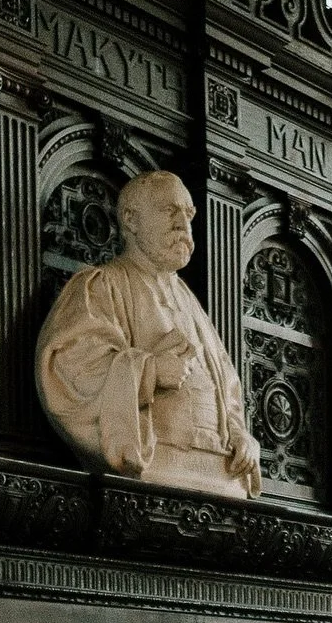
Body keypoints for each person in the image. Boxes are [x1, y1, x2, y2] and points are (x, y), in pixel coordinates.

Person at [35, 170, 262, 499]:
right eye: (170, 211)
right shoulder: (101, 286)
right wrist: (151, 371)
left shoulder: (190, 301)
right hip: (156, 468)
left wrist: (241, 435)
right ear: (130, 219)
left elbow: (226, 388)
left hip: (220, 476)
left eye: (188, 214)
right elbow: (70, 370)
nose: (183, 225)